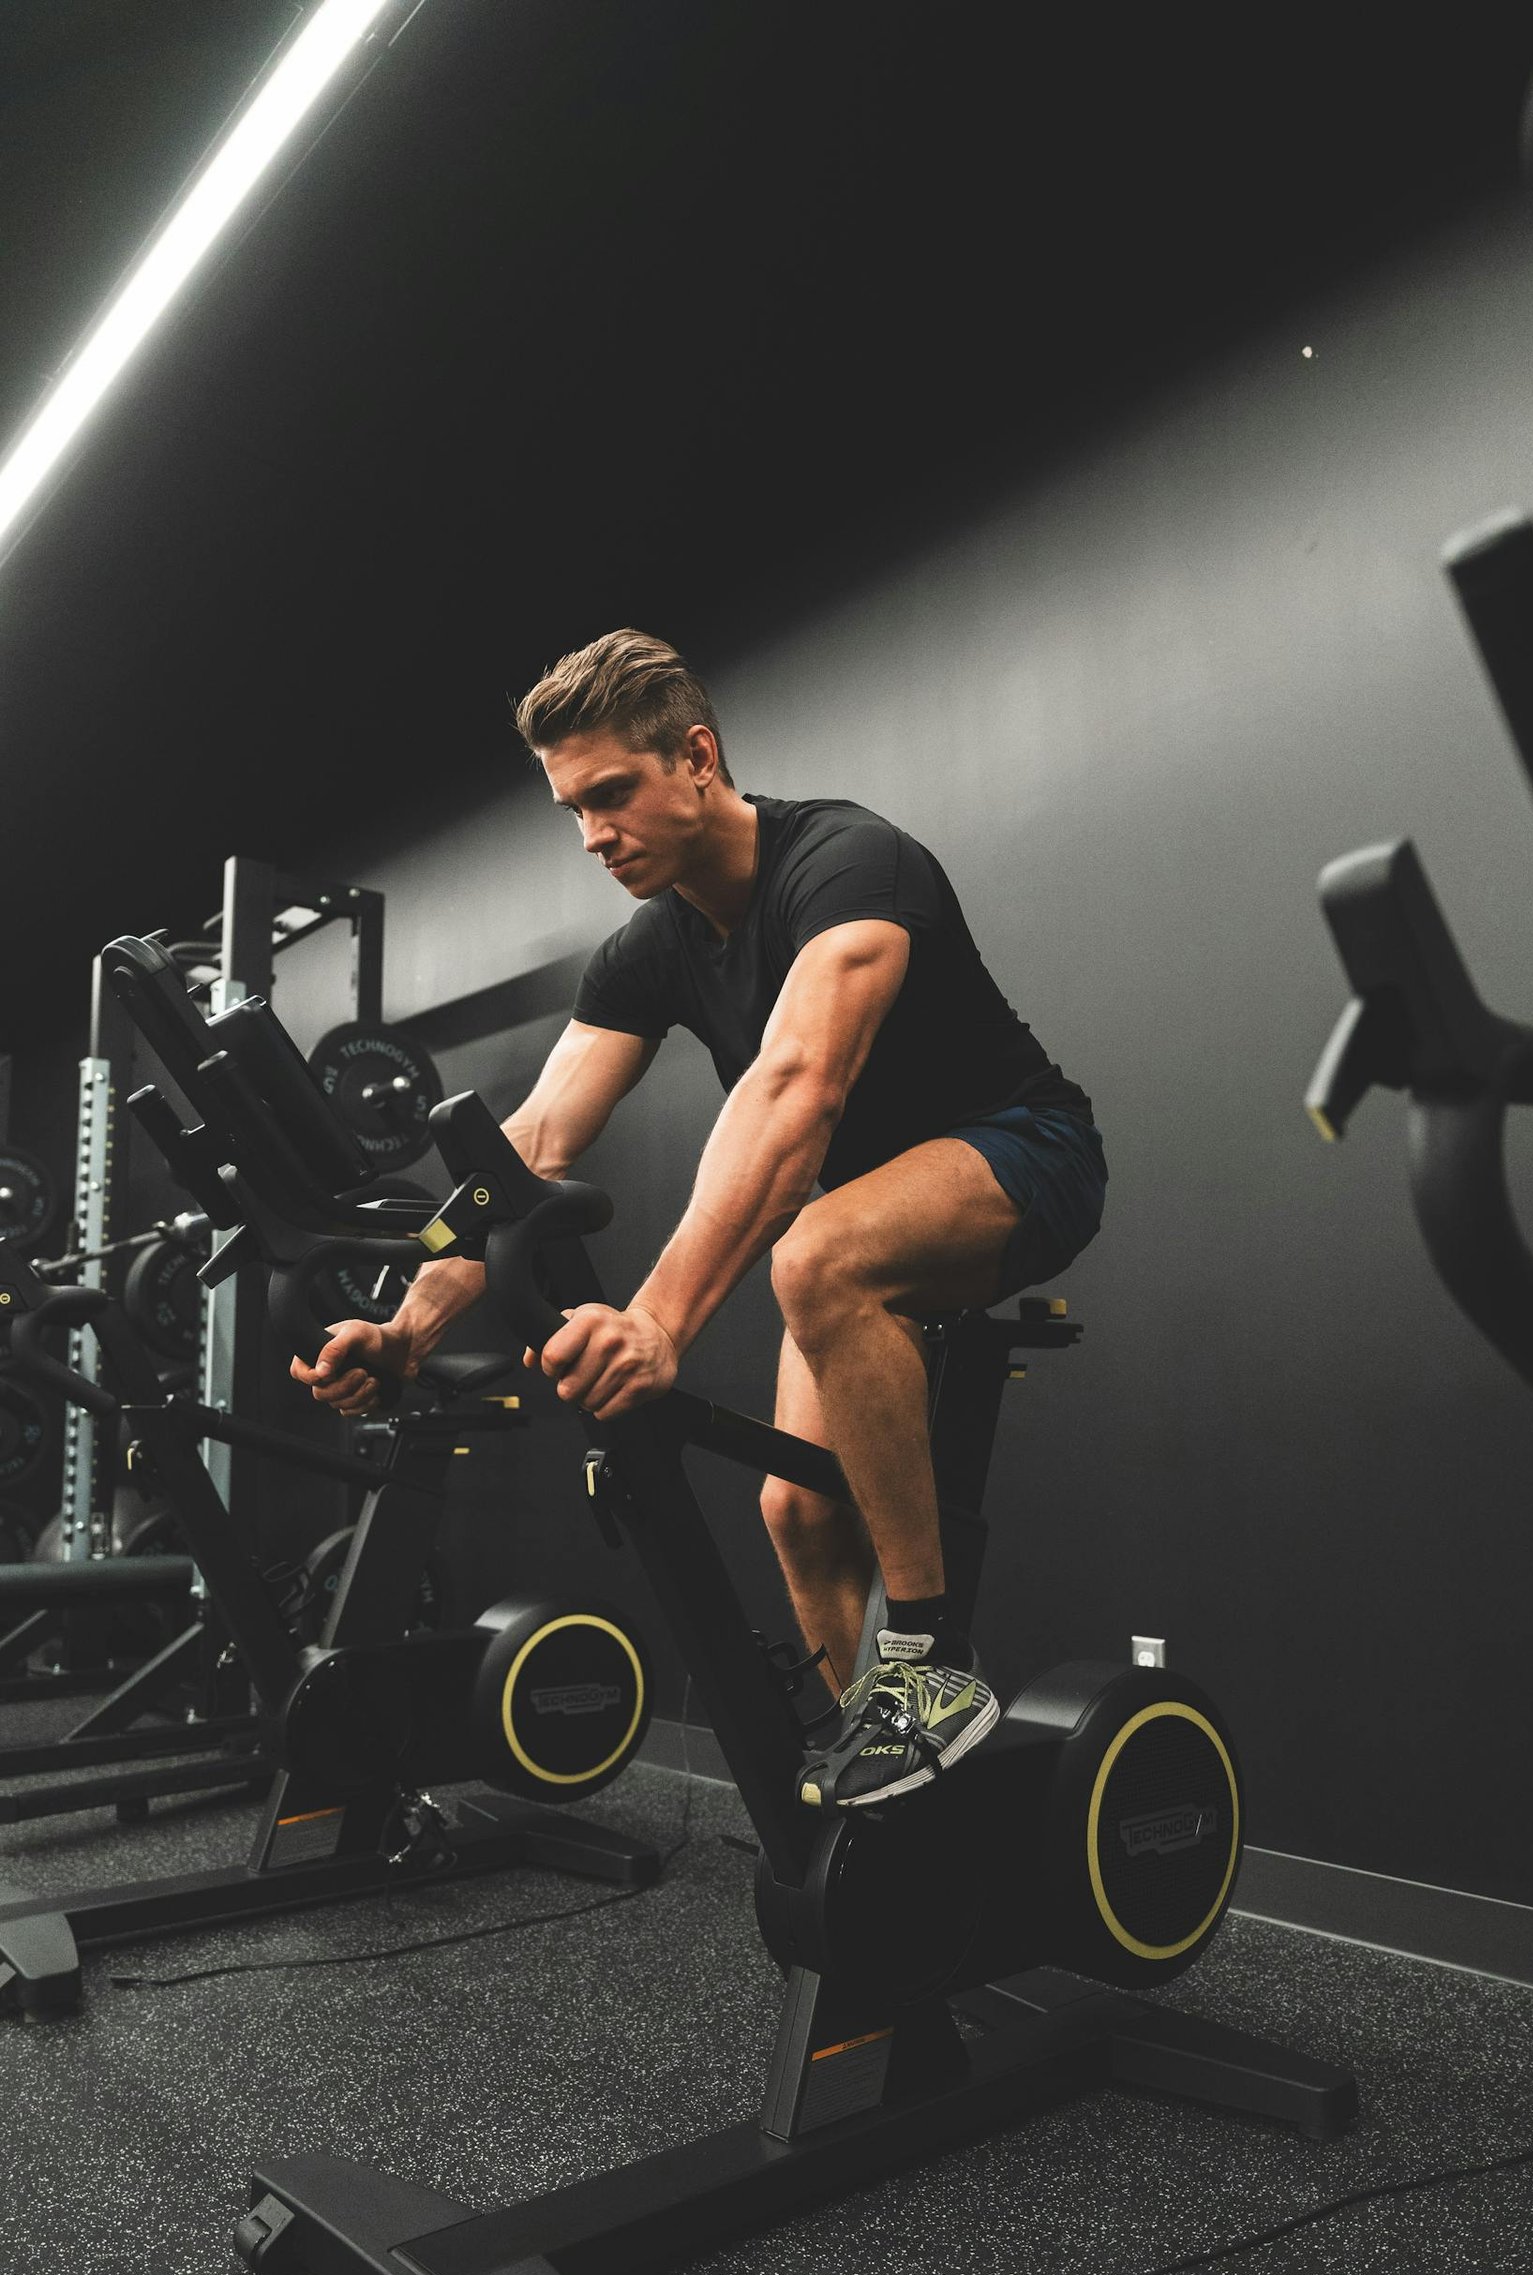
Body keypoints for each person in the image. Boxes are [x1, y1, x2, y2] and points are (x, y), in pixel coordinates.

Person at [293, 629, 1107, 1809]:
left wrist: (659, 1321)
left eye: (612, 793)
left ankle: (929, 1667)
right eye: (573, 809)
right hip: (866, 1203)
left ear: (696, 758)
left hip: (1024, 1153)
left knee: (816, 1253)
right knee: (795, 1508)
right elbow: (528, 1149)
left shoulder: (849, 866)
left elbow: (796, 1086)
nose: (592, 834)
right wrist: (405, 1330)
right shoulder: (648, 950)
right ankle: (878, 1781)